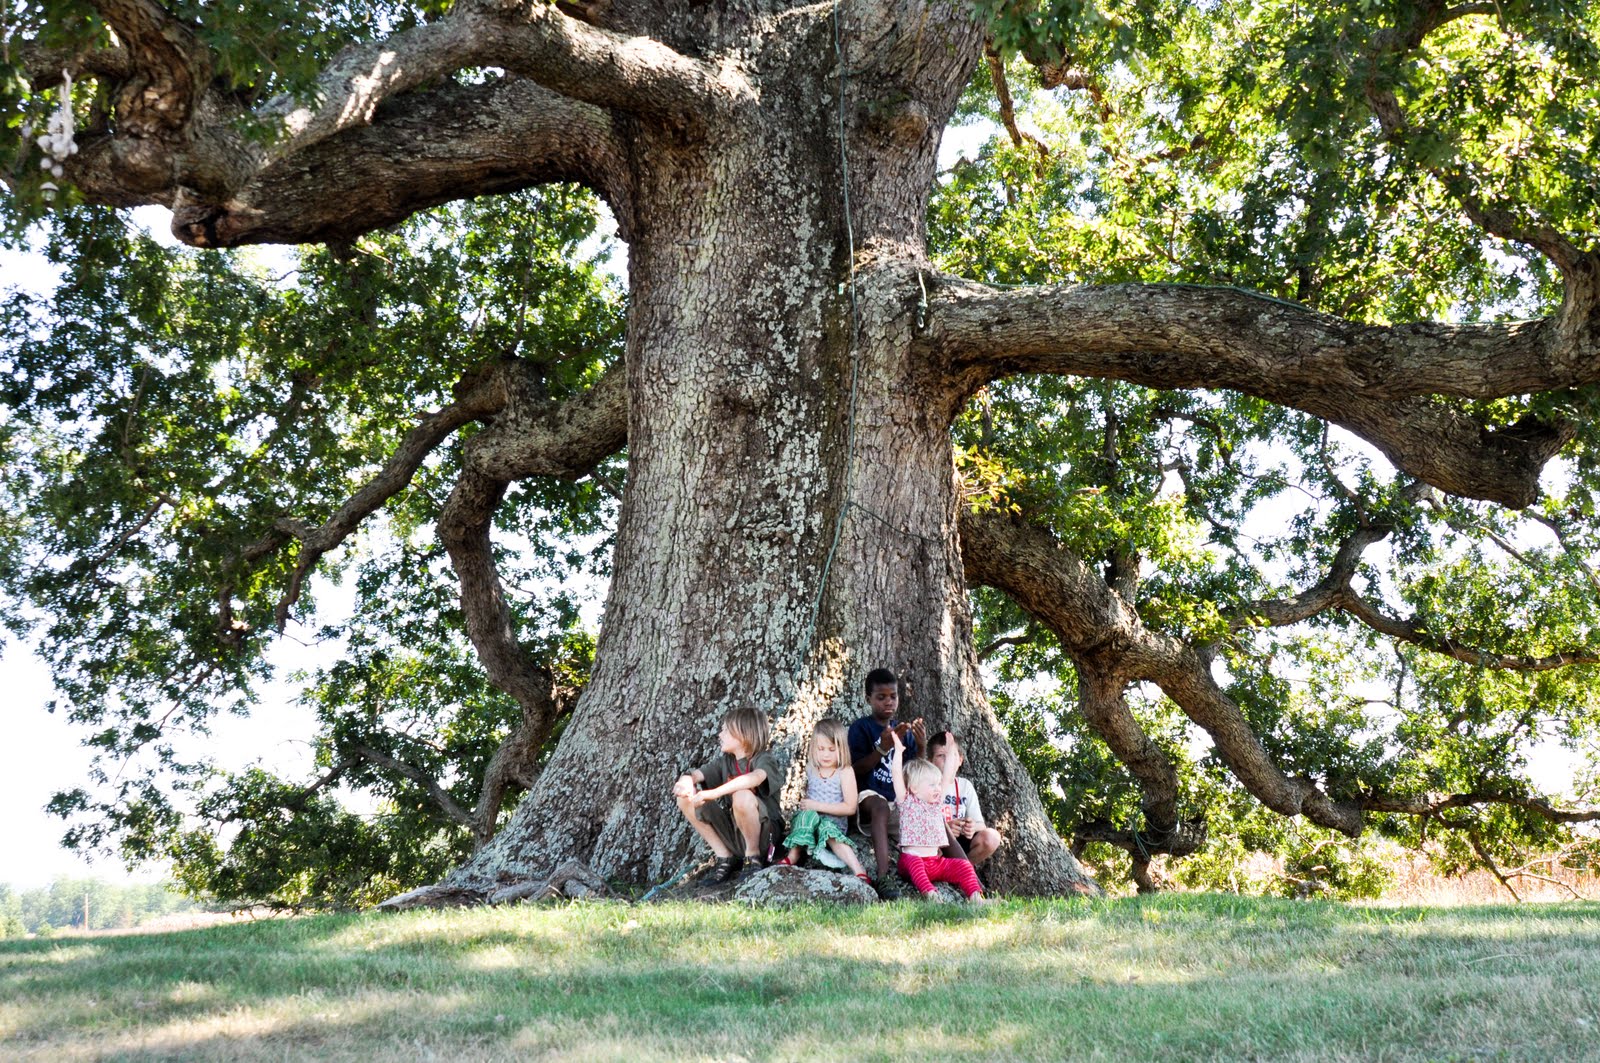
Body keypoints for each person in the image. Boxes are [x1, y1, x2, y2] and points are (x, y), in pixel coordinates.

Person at [672, 706, 781, 882]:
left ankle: (753, 857)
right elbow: (696, 775)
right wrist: (686, 781)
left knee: (742, 795)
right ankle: (725, 856)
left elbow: (754, 778)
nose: (720, 735)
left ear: (743, 735)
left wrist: (714, 793)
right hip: (735, 833)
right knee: (685, 799)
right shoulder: (725, 762)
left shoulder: (763, 759)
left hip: (765, 837)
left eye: (726, 730)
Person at [847, 667, 926, 887]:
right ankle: (883, 877)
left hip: (897, 799)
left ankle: (966, 872)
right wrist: (882, 749)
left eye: (893, 696)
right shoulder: (860, 728)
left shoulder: (905, 733)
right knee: (881, 806)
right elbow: (856, 769)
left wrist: (921, 747)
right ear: (868, 699)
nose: (888, 702)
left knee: (931, 813)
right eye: (881, 697)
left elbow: (914, 774)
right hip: (868, 797)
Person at [889, 728, 985, 903]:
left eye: (938, 785)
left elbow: (948, 776)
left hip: (935, 862)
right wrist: (898, 751)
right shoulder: (906, 802)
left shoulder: (936, 803)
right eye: (932, 785)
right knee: (914, 862)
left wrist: (949, 752)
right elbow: (896, 774)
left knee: (963, 865)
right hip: (910, 861)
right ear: (914, 787)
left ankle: (975, 896)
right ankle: (931, 894)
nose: (938, 788)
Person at [776, 719, 871, 881]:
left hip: (833, 825)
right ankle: (793, 856)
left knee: (828, 829)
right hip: (811, 824)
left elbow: (850, 808)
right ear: (813, 748)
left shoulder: (845, 772)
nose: (825, 754)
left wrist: (817, 805)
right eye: (821, 749)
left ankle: (858, 870)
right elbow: (810, 797)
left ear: (841, 749)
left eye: (831, 749)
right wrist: (807, 805)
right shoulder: (812, 769)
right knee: (805, 817)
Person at [927, 731, 1005, 866]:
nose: (948, 760)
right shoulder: (924, 784)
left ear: (960, 760)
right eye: (941, 755)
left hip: (960, 842)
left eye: (952, 755)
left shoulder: (965, 786)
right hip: (935, 842)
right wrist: (945, 828)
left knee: (992, 837)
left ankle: (962, 870)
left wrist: (971, 827)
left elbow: (981, 824)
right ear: (930, 761)